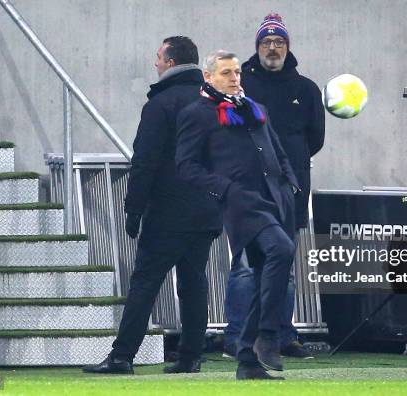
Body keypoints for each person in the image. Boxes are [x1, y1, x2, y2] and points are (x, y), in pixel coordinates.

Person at [83, 36, 221, 375]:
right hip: (206, 209)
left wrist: (134, 208)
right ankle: (190, 357)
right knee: (193, 282)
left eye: (159, 58)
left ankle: (121, 357)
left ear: (171, 63)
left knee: (145, 282)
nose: (155, 63)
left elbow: (145, 160)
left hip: (168, 211)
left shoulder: (161, 104)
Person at [176, 50, 299, 380]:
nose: (234, 78)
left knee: (264, 277)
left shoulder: (254, 108)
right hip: (241, 204)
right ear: (209, 77)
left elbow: (276, 147)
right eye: (226, 73)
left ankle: (247, 358)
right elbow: (186, 167)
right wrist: (225, 190)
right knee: (281, 251)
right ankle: (268, 337)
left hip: (276, 199)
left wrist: (290, 182)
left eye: (236, 73)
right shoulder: (197, 113)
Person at [223, 12, 325, 359]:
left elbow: (315, 139)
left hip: (290, 191)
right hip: (249, 191)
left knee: (286, 268)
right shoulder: (242, 86)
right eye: (266, 42)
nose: (272, 47)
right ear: (257, 47)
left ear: (287, 47)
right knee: (246, 269)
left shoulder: (307, 89)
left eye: (278, 42)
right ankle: (238, 337)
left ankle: (283, 337)